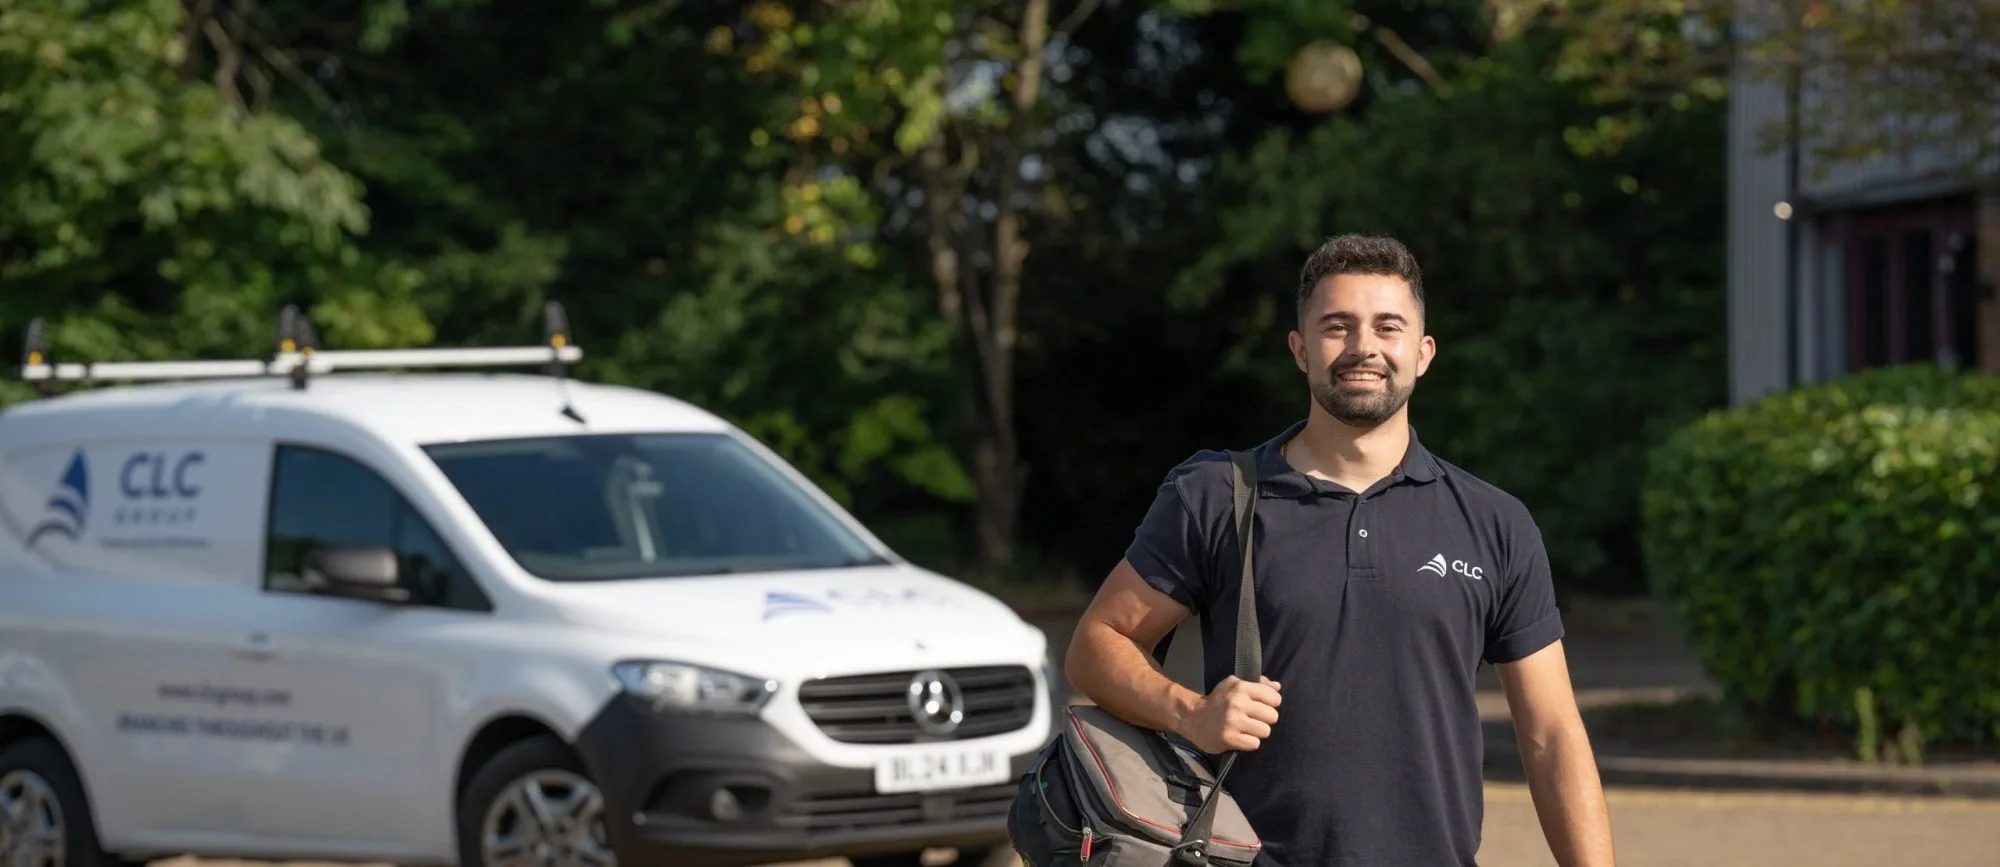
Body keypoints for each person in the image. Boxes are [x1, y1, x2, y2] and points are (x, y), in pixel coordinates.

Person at [1063, 233, 1617, 866]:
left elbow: (1551, 736)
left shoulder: (1494, 522)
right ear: (1300, 349)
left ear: (1423, 352)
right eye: (1337, 326)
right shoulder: (1218, 496)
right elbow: (1095, 646)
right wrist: (1190, 713)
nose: (1364, 348)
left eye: (1388, 327)